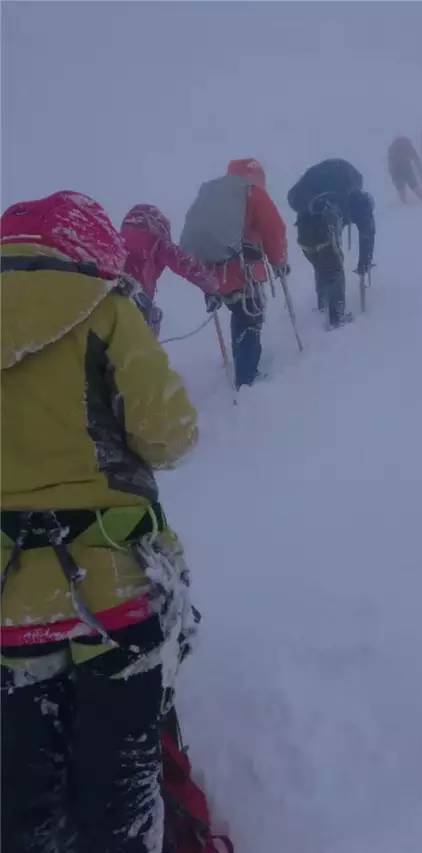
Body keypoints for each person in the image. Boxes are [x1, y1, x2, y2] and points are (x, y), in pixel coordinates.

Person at [1, 190, 199, 853]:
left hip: (8, 604)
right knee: (119, 786)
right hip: (113, 587)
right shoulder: (106, 307)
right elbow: (170, 434)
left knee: (24, 790)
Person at [181, 158, 288, 389]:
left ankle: (241, 363)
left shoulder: (213, 193)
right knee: (251, 317)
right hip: (243, 269)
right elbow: (274, 229)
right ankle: (247, 379)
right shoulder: (251, 193)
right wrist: (279, 261)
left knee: (238, 312)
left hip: (213, 272)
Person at [287, 158, 375, 328]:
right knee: (333, 269)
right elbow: (367, 232)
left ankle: (323, 306)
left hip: (305, 233)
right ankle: (336, 318)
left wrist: (311, 205)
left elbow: (294, 197)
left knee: (322, 265)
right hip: (320, 229)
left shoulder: (339, 184)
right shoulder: (353, 197)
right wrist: (365, 260)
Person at [121, 203, 219, 335]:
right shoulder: (158, 242)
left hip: (113, 297)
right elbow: (185, 263)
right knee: (145, 336)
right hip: (138, 300)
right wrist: (211, 287)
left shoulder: (117, 240)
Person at [387, 136, 422, 204]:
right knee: (414, 185)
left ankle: (404, 204)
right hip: (407, 168)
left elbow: (390, 161)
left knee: (400, 187)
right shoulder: (408, 147)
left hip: (395, 170)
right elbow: (416, 158)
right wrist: (420, 169)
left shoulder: (392, 147)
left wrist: (391, 173)